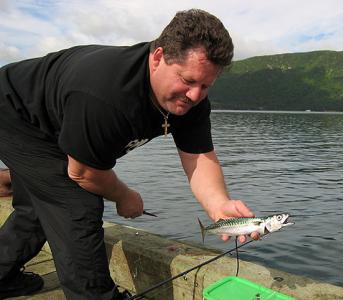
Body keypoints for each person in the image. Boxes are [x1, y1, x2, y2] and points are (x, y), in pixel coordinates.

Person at [0, 9, 259, 300]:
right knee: (76, 205)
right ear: (158, 57)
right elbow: (82, 173)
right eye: (187, 80)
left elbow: (198, 156)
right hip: (16, 113)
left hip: (60, 120)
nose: (195, 95)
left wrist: (218, 205)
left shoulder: (192, 102)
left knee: (39, 204)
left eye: (206, 85)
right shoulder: (105, 94)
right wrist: (124, 196)